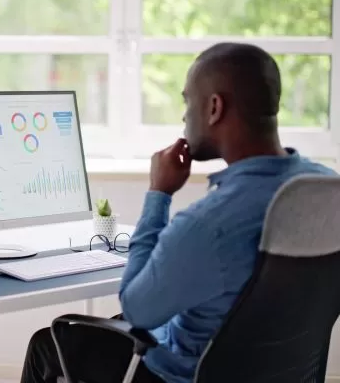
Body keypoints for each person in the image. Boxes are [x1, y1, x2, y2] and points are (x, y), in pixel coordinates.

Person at [20, 42, 337, 383]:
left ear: (214, 107)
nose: (185, 116)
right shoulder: (327, 188)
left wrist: (159, 193)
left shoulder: (210, 222)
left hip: (180, 375)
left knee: (48, 345)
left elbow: (137, 310)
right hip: (283, 373)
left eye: (188, 101)